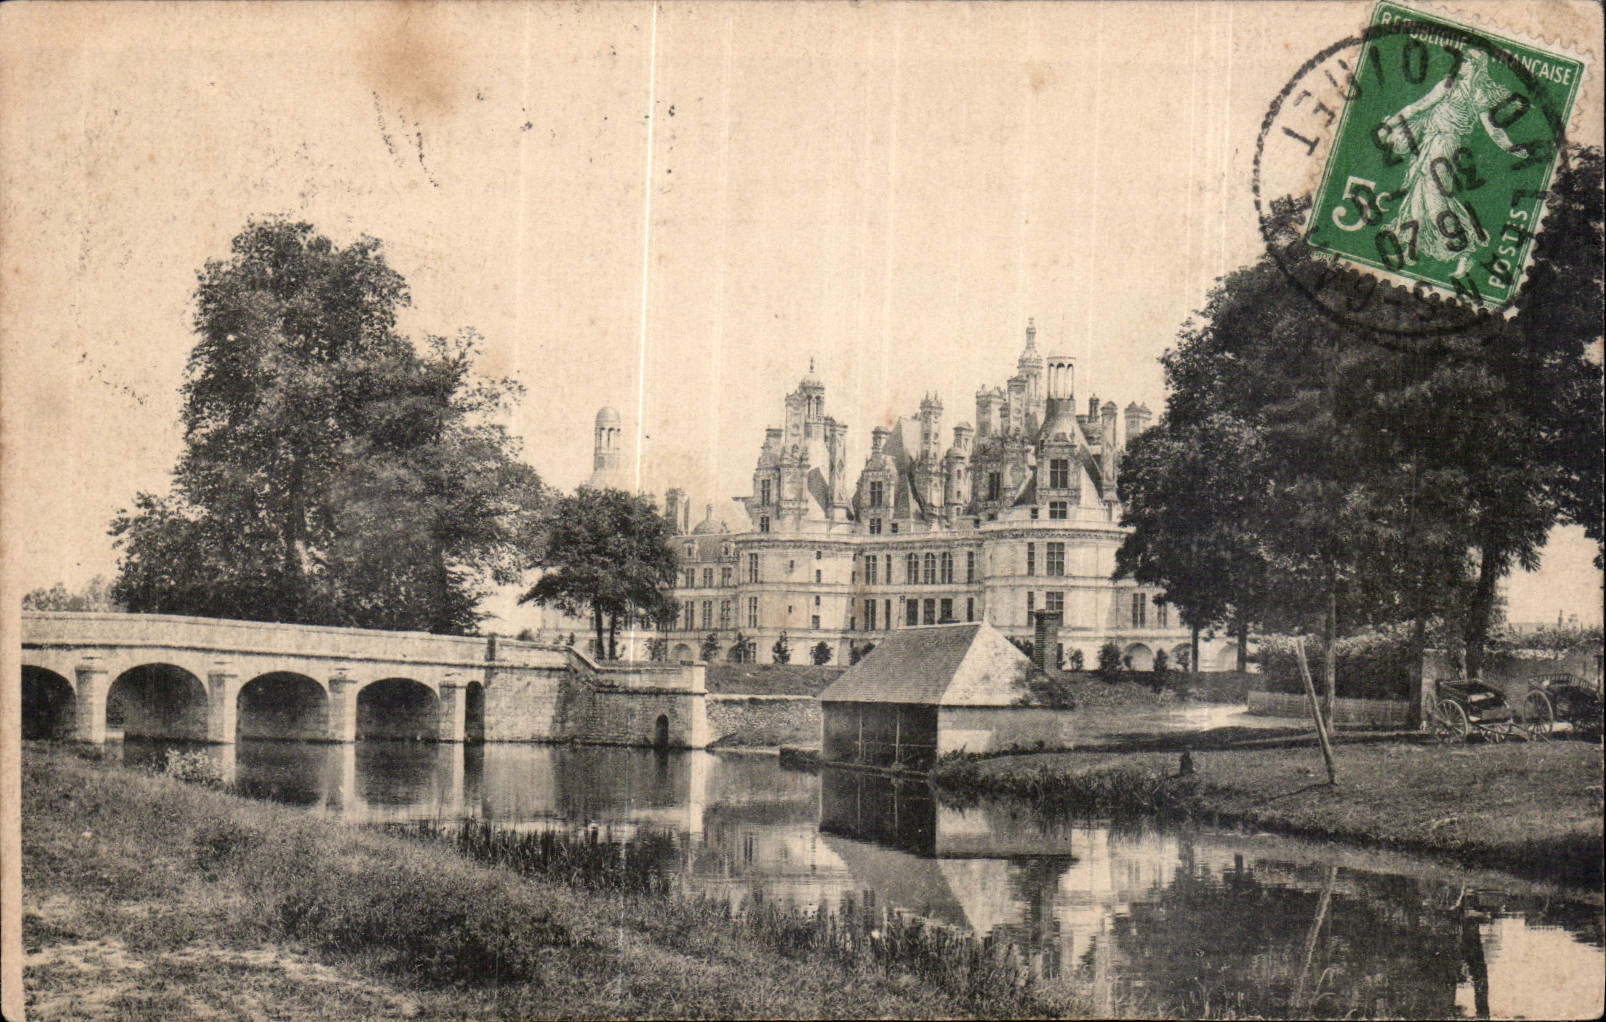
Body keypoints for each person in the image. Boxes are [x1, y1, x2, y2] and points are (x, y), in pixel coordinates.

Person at [1376, 48, 1523, 278]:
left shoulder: (1475, 93)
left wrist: (1510, 147)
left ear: (1476, 67)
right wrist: (1389, 126)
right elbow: (1418, 106)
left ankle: (1465, 251)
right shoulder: (1450, 84)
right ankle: (1411, 249)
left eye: (1466, 60)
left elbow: (1492, 128)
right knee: (1417, 197)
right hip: (1431, 143)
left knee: (1435, 201)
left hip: (1445, 146)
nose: (1461, 63)